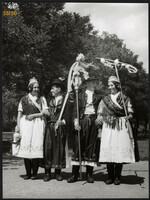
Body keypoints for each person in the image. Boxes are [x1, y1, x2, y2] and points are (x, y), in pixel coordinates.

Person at [96, 76, 135, 185]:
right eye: (109, 85)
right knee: (109, 148)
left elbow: (130, 112)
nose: (110, 87)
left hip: (121, 125)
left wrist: (129, 116)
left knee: (119, 149)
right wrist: (100, 117)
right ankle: (110, 177)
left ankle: (117, 177)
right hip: (108, 125)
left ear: (117, 85)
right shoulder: (105, 99)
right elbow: (100, 112)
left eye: (112, 85)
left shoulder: (125, 98)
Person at [67, 74, 101, 183]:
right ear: (87, 83)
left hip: (93, 121)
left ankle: (89, 175)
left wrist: (101, 116)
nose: (94, 84)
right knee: (78, 146)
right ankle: (74, 174)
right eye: (92, 82)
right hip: (82, 120)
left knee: (91, 146)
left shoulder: (98, 96)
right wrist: (76, 121)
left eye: (95, 82)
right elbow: (75, 110)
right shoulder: (80, 95)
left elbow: (103, 108)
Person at [15, 77, 49, 180]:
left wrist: (34, 115)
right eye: (34, 87)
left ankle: (34, 174)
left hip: (38, 124)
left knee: (36, 147)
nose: (36, 89)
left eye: (37, 87)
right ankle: (28, 173)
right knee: (26, 148)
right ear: (30, 88)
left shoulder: (42, 99)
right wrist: (18, 126)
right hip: (26, 124)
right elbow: (19, 114)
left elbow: (45, 113)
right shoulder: (23, 99)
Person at [43, 79, 73, 182]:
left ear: (58, 89)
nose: (51, 90)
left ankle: (57, 173)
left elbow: (69, 116)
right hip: (50, 127)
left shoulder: (66, 101)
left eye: (53, 88)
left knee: (59, 149)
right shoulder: (49, 101)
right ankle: (47, 173)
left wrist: (62, 122)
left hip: (60, 127)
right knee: (48, 149)